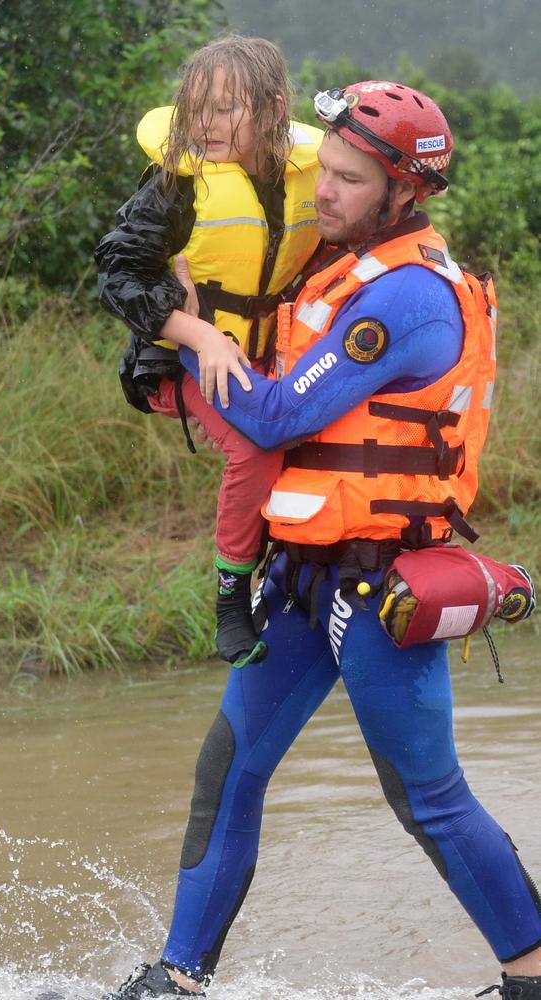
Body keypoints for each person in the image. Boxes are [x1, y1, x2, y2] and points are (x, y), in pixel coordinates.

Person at [104, 81, 541, 1000]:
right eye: (324, 172)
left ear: (402, 194)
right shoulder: (335, 268)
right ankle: (177, 980)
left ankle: (531, 975)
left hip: (381, 593)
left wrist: (186, 335)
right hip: (303, 578)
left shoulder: (412, 298)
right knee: (229, 772)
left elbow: (269, 417)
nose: (322, 193)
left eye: (345, 180)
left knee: (428, 799)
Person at [95, 36, 323, 667]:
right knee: (256, 442)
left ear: (274, 108)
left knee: (327, 439)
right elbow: (116, 271)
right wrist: (197, 333)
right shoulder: (177, 185)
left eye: (225, 109)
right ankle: (230, 598)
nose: (205, 125)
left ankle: (301, 569)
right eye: (196, 108)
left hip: (271, 354)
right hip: (184, 353)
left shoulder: (309, 177)